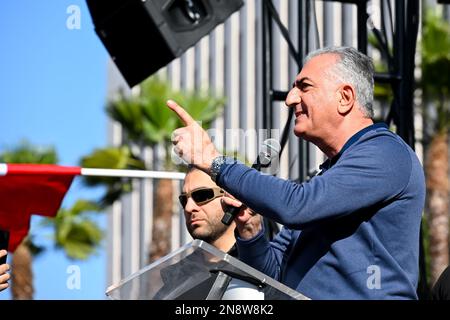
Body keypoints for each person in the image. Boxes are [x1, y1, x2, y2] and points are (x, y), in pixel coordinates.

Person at [167, 46, 426, 299]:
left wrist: (213, 160)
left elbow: (296, 205)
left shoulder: (385, 153)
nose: (290, 99)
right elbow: (271, 273)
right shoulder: (326, 179)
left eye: (304, 86)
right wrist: (251, 232)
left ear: (345, 97)